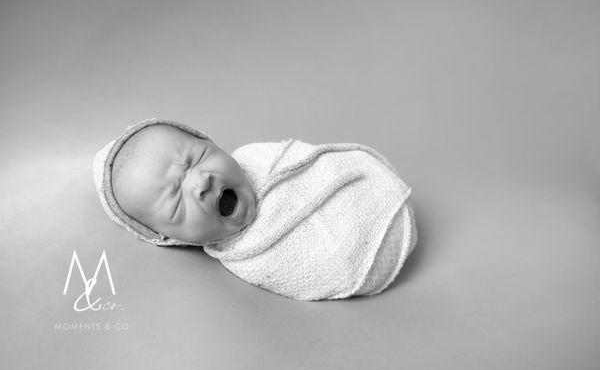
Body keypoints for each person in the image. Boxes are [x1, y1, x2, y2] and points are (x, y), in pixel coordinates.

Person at [93, 118, 417, 300]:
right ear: (166, 237)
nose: (200, 183)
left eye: (196, 158)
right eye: (176, 199)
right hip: (362, 261)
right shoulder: (241, 254)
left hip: (380, 194)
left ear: (213, 143)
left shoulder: (258, 157)